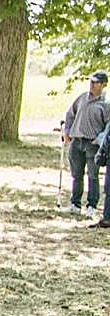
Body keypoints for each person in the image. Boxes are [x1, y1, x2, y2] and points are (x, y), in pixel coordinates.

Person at [62, 70, 108, 218]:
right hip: (77, 141)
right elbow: (70, 114)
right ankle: (75, 204)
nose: (92, 84)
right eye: (91, 81)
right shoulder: (82, 98)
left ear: (104, 84)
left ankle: (92, 206)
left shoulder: (105, 104)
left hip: (92, 143)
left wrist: (99, 139)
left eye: (96, 82)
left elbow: (108, 126)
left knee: (93, 175)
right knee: (76, 174)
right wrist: (67, 131)